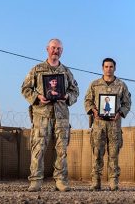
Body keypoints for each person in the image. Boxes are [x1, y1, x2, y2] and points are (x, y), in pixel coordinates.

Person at [21, 39, 79, 192]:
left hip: (61, 116)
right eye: (53, 48)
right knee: (38, 148)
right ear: (47, 49)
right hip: (42, 115)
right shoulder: (37, 70)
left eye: (59, 48)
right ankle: (36, 181)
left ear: (62, 51)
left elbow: (75, 91)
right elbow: (25, 88)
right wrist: (37, 97)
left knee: (62, 149)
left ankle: (61, 180)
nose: (56, 51)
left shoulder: (66, 72)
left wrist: (67, 97)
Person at [84, 58, 132, 191]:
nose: (108, 69)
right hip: (99, 124)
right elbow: (87, 100)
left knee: (114, 154)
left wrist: (120, 113)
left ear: (115, 68)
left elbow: (127, 103)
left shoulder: (121, 85)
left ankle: (113, 181)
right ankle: (96, 181)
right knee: (97, 153)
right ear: (102, 68)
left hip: (114, 125)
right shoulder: (95, 85)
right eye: (106, 66)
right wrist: (93, 111)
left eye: (111, 67)